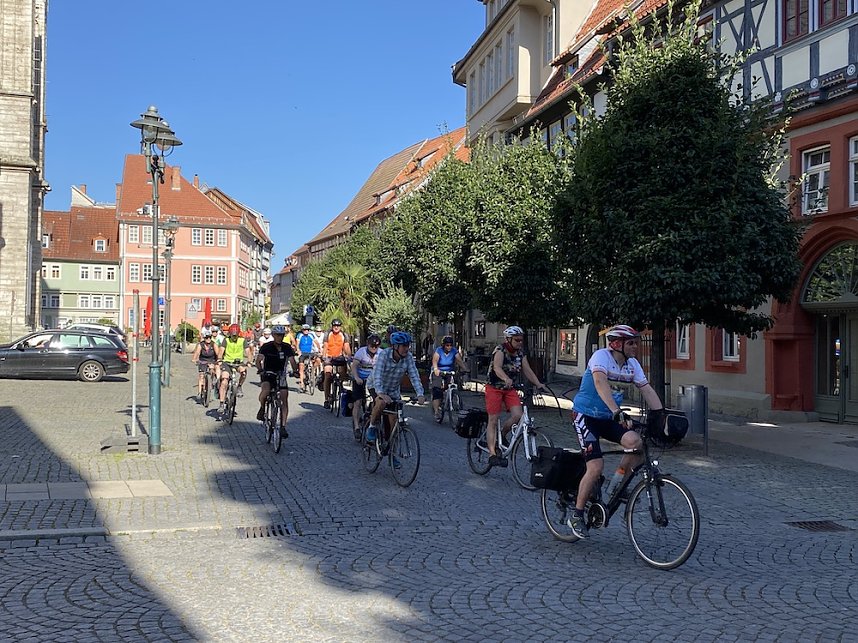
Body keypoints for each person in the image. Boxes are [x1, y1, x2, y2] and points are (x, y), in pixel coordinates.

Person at [568, 324, 664, 539]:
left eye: (636, 343)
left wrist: (660, 416)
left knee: (636, 443)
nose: (635, 347)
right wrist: (616, 411)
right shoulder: (601, 356)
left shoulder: (632, 364)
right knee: (595, 466)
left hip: (608, 418)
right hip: (586, 416)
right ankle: (576, 514)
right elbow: (600, 383)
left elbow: (646, 388)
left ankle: (617, 485)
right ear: (616, 344)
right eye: (631, 343)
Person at [484, 326, 547, 468]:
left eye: (521, 340)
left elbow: (527, 370)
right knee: (493, 419)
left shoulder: (520, 352)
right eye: (517, 340)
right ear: (508, 339)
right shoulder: (500, 350)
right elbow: (497, 368)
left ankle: (502, 434)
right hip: (494, 388)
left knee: (518, 415)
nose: (520, 342)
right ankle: (492, 453)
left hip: (509, 389)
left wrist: (538, 383)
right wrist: (505, 378)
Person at [366, 331, 425, 446]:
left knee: (394, 420)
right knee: (381, 403)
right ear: (395, 346)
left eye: (408, 345)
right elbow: (377, 375)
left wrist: (420, 394)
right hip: (376, 386)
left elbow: (414, 376)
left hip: (393, 390)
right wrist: (381, 393)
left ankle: (392, 452)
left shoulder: (408, 358)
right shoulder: (384, 355)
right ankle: (372, 426)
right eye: (404, 346)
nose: (406, 348)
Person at [255, 325, 299, 435]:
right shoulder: (266, 346)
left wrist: (295, 371)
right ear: (273, 335)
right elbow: (259, 360)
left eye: (281, 335)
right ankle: (262, 408)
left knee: (284, 397)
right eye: (277, 335)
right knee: (265, 391)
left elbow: (292, 360)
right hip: (268, 373)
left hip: (281, 374)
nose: (279, 337)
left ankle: (283, 426)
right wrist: (260, 369)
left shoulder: (287, 347)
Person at [431, 335, 467, 422]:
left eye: (450, 345)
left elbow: (459, 360)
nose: (449, 347)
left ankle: (452, 397)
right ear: (443, 345)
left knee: (451, 385)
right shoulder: (439, 350)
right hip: (439, 371)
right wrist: (435, 369)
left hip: (449, 371)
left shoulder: (454, 351)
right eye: (447, 345)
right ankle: (436, 412)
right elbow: (435, 360)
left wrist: (465, 368)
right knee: (437, 391)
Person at [218, 323, 252, 411]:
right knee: (224, 381)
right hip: (227, 362)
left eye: (236, 335)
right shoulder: (226, 340)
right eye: (233, 335)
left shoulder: (242, 340)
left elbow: (248, 352)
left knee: (243, 372)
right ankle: (221, 403)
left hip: (238, 362)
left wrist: (249, 361)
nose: (234, 337)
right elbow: (221, 351)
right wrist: (219, 359)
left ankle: (240, 386)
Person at [350, 333, 381, 421]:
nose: (374, 348)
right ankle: (356, 426)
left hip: (374, 379)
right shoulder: (361, 352)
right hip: (360, 377)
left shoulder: (381, 353)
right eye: (372, 346)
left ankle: (372, 416)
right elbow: (354, 366)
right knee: (358, 401)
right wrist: (356, 377)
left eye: (376, 346)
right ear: (368, 345)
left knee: (377, 399)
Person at [322, 319, 351, 408]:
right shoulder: (328, 334)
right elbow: (325, 346)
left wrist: (349, 356)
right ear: (332, 326)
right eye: (334, 325)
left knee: (343, 373)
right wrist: (324, 356)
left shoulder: (344, 335)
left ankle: (340, 385)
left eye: (338, 326)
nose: (336, 327)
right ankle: (327, 399)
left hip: (339, 356)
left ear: (340, 327)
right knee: (327, 374)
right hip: (329, 356)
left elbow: (346, 346)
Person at [191, 329, 222, 401]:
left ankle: (214, 382)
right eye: (207, 337)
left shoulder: (214, 344)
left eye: (210, 337)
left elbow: (217, 354)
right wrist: (194, 359)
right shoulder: (200, 345)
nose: (208, 339)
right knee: (201, 375)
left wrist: (219, 360)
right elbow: (197, 353)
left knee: (213, 369)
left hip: (212, 360)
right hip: (203, 361)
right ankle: (199, 392)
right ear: (204, 338)